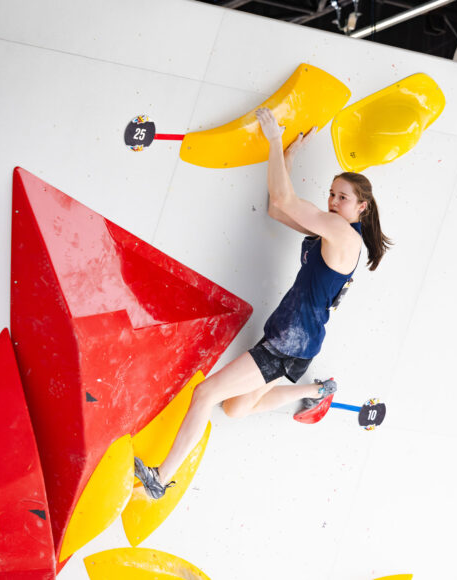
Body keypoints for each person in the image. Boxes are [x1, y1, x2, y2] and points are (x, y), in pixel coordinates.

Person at [134, 107, 392, 499]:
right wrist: (286, 157)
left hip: (289, 341)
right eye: (331, 193)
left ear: (362, 208)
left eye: (343, 197)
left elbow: (284, 197)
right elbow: (277, 207)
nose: (333, 200)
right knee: (235, 409)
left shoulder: (341, 232)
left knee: (205, 395)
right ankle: (316, 390)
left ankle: (159, 480)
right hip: (298, 341)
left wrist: (274, 139)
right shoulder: (331, 231)